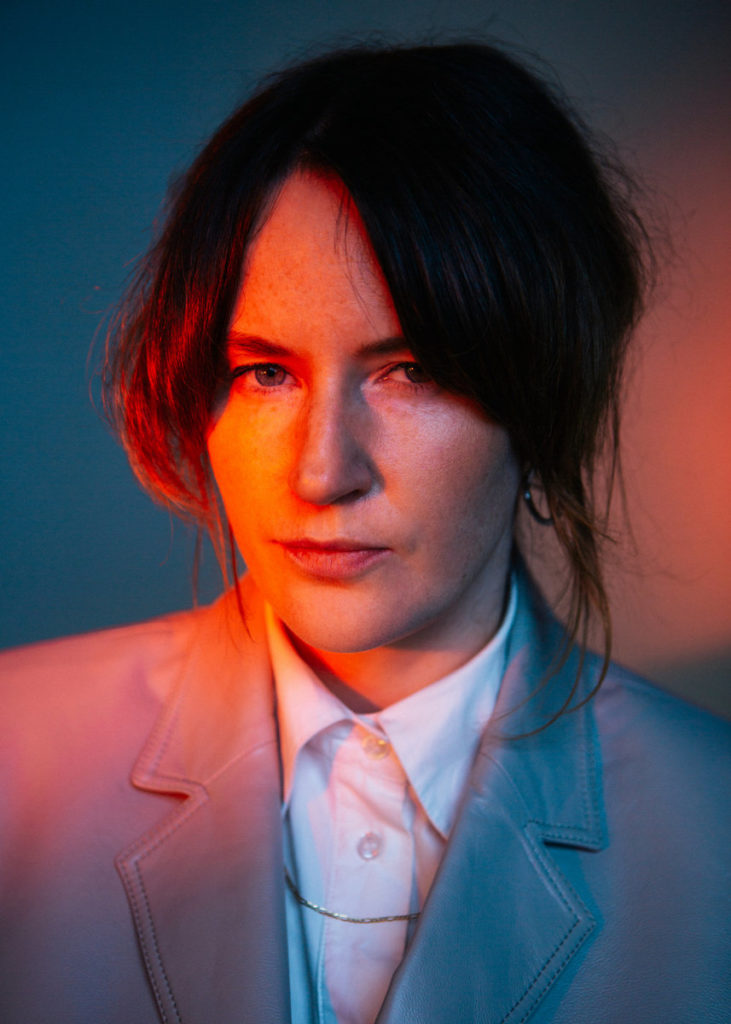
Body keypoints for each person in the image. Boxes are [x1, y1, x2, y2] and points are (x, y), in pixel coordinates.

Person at [0, 41, 728, 1024]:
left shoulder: (714, 827)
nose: (321, 471)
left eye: (410, 370)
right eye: (266, 373)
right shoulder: (13, 763)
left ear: (542, 398)